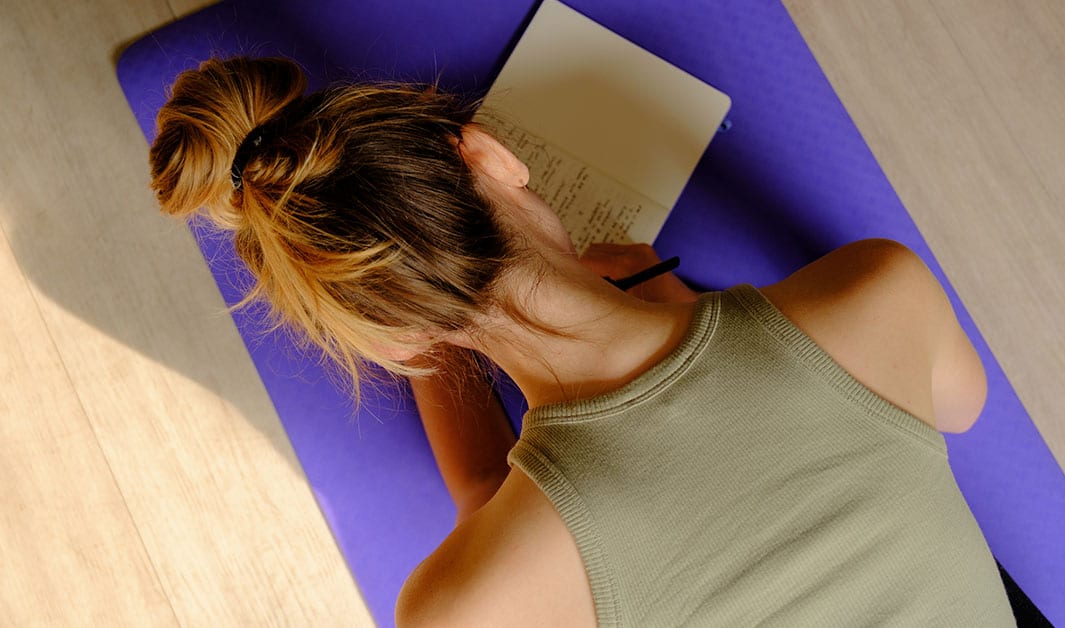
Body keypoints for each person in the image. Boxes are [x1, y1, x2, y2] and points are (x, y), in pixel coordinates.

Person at [149, 57, 1016, 627]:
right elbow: (963, 408)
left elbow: (514, 519)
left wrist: (436, 330)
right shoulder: (879, 291)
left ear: (396, 345)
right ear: (491, 157)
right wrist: (686, 308)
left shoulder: (463, 607)